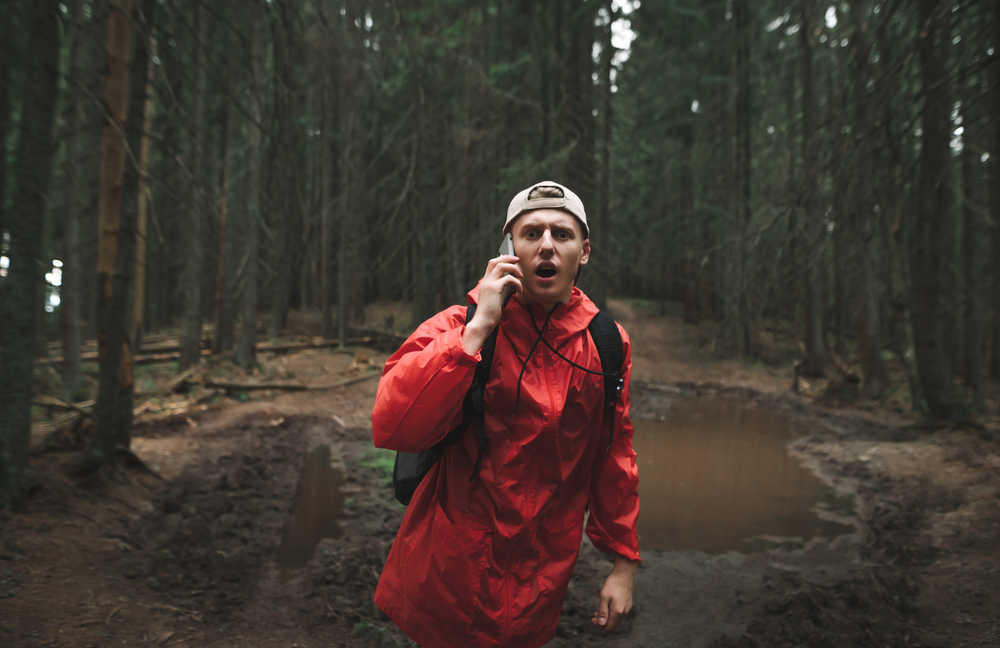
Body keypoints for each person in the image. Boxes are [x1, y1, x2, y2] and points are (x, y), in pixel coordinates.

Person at [371, 181, 640, 648]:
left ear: (585, 251)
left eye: (562, 233)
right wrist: (477, 331)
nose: (547, 245)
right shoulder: (460, 324)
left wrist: (623, 564)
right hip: (450, 572)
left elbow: (613, 456)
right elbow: (394, 422)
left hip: (542, 577)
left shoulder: (608, 345)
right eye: (531, 233)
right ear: (508, 247)